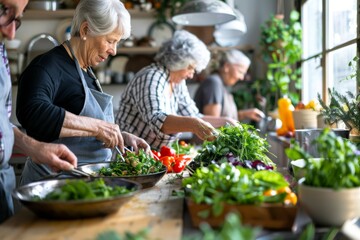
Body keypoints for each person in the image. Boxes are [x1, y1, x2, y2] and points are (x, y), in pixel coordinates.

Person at [16, 0, 150, 186]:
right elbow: (32, 112)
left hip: (88, 184)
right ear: (86, 30)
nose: (114, 51)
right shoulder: (47, 66)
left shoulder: (87, 70)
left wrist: (120, 137)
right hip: (53, 187)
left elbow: (82, 130)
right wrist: (98, 127)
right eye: (110, 41)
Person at [0, 0, 78, 223]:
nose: (11, 33)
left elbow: (2, 123)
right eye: (4, 11)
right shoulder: (47, 66)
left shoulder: (1, 51)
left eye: (17, 20)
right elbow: (32, 111)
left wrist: (35, 148)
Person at [115, 30, 238, 150]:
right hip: (128, 155)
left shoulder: (177, 82)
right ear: (178, 60)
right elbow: (158, 121)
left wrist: (226, 121)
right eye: (190, 68)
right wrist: (194, 124)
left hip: (152, 157)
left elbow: (194, 116)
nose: (191, 75)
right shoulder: (152, 76)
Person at [194, 49, 265, 122]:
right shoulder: (214, 83)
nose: (242, 77)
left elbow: (224, 119)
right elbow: (213, 123)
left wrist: (244, 114)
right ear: (227, 67)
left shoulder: (222, 85)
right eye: (240, 72)